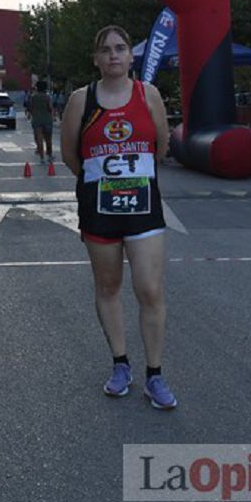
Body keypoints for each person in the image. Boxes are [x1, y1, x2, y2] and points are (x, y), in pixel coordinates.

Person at [60, 25, 176, 410]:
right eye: (105, 49)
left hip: (143, 206)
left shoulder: (149, 95)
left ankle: (154, 374)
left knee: (149, 288)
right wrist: (101, 183)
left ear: (131, 56)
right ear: (96, 58)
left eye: (120, 48)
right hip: (99, 208)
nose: (113, 55)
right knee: (108, 286)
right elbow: (70, 155)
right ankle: (121, 363)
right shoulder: (81, 99)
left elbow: (160, 146)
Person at [27, 80, 55, 164]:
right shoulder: (47, 97)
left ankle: (42, 157)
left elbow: (30, 108)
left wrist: (31, 114)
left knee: (39, 139)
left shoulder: (33, 97)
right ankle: (49, 155)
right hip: (47, 120)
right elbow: (50, 108)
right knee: (48, 139)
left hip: (36, 120)